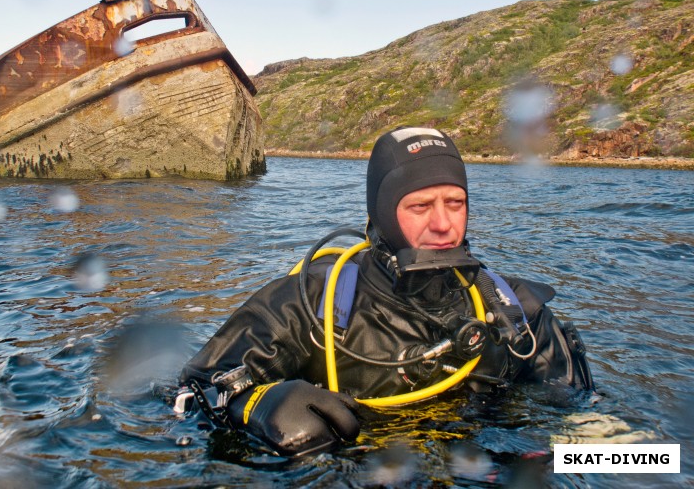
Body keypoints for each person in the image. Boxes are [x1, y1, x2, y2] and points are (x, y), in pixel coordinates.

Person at [177, 127, 593, 457]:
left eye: (455, 202)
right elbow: (185, 398)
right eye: (420, 206)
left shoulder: (514, 312)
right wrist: (256, 408)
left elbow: (591, 432)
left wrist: (643, 460)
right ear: (382, 213)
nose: (444, 224)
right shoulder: (306, 305)